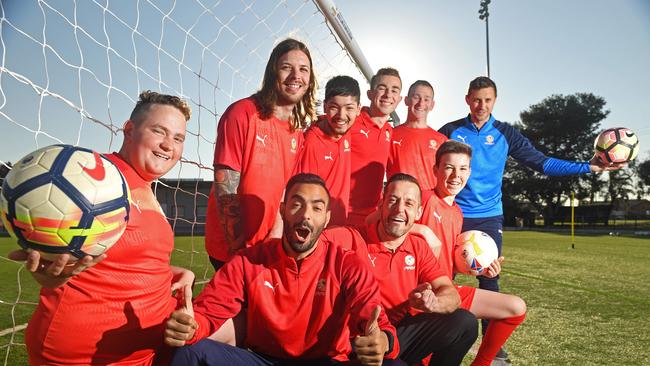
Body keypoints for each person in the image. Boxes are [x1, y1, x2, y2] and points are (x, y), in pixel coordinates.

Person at [438, 77, 620, 358]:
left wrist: (589, 167)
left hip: (488, 217)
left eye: (487, 100)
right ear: (467, 100)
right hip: (452, 213)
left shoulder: (506, 134)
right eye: (476, 99)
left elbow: (542, 163)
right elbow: (429, 164)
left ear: (495, 101)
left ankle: (493, 350)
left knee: (490, 278)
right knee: (443, 277)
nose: (481, 105)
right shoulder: (450, 131)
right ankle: (439, 336)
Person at [10, 91, 195, 365]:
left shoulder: (144, 186)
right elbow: (62, 257)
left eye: (178, 138)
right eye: (159, 131)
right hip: (90, 355)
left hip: (149, 349)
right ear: (129, 130)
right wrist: (53, 277)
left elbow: (124, 260)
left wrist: (175, 274)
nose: (169, 145)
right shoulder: (95, 180)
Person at [164, 173, 403, 365]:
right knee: (191, 350)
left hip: (326, 361)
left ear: (327, 218)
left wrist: (383, 341)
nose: (305, 215)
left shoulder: (346, 264)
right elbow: (208, 314)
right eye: (296, 205)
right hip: (264, 360)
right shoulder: (250, 261)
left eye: (317, 208)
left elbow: (378, 325)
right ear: (282, 210)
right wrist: (192, 328)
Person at [204, 38, 317, 270]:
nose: (296, 76)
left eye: (303, 69)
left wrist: (274, 238)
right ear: (272, 72)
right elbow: (226, 188)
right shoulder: (242, 113)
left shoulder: (297, 133)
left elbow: (283, 192)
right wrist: (241, 254)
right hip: (232, 251)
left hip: (267, 247)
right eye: (287, 67)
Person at [419, 140, 527, 365]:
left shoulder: (457, 213)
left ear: (469, 172)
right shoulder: (424, 199)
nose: (455, 175)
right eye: (448, 167)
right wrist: (422, 230)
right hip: (423, 295)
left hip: (447, 290)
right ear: (435, 170)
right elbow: (385, 224)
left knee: (516, 308)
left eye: (462, 168)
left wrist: (481, 269)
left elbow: (450, 260)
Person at [293, 75, 360, 226]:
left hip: (339, 225)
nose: (341, 116)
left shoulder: (348, 130)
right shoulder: (311, 142)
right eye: (334, 107)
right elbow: (301, 193)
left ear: (358, 109)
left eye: (349, 108)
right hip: (317, 229)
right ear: (325, 107)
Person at [348, 67, 402, 227]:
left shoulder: (390, 132)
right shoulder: (351, 121)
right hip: (341, 213)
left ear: (399, 99)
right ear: (370, 94)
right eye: (382, 88)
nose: (388, 95)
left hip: (372, 218)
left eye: (394, 90)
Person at [387, 80, 447, 191]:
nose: (421, 103)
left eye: (426, 99)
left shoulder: (441, 140)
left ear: (432, 105)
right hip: (400, 205)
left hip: (429, 205)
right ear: (406, 100)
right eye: (416, 97)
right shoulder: (390, 135)